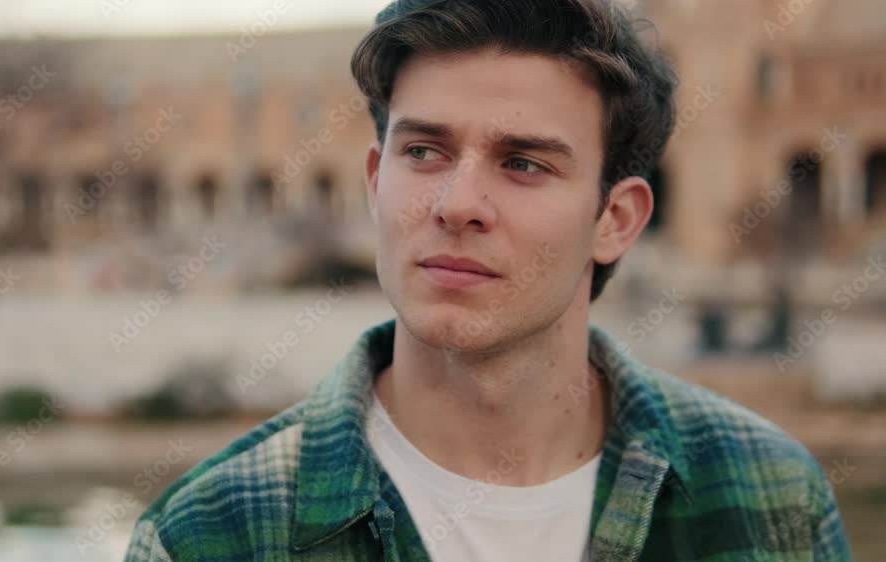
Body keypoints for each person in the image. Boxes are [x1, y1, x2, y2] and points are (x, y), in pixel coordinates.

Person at [124, 1, 852, 560]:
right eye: (425, 151)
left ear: (616, 219)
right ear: (376, 183)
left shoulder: (772, 498)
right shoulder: (208, 535)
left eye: (524, 163)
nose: (458, 205)